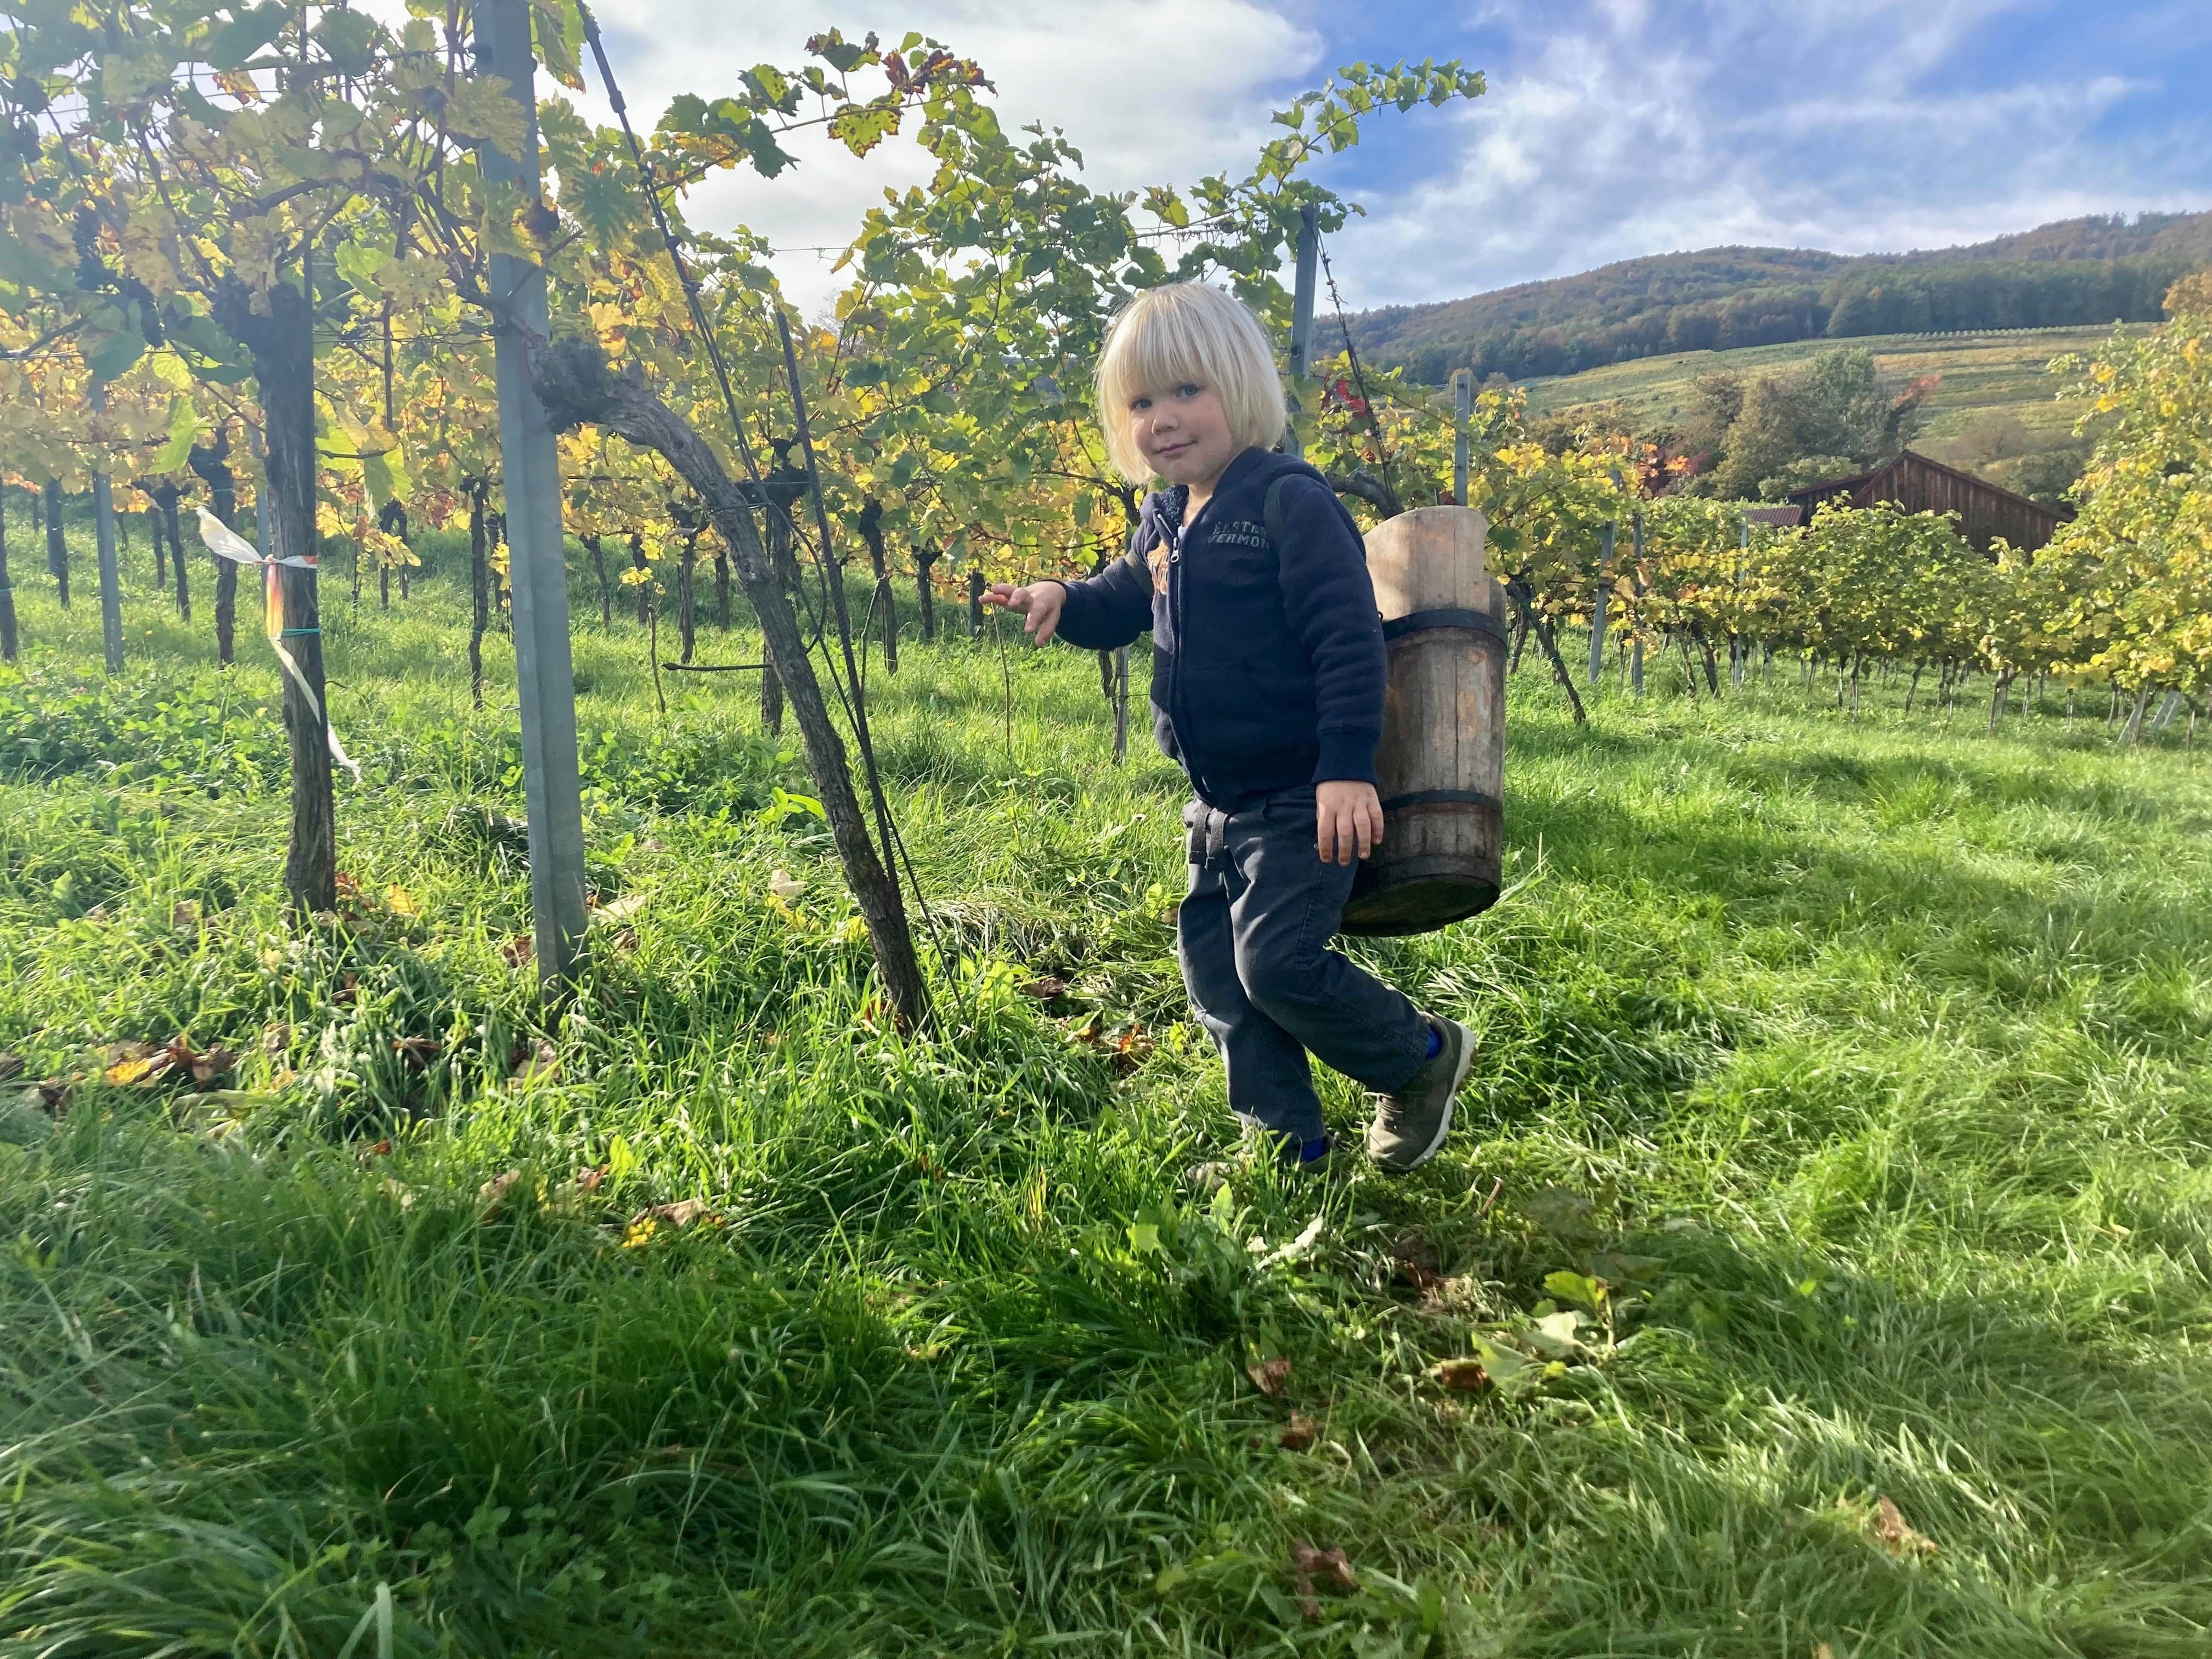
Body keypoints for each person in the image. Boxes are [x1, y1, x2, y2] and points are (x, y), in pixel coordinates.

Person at [985, 281, 1473, 1175]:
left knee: (1277, 964)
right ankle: (1285, 1145)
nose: (1163, 419)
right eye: (1140, 402)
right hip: (1216, 804)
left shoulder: (1289, 502)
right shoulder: (1167, 516)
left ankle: (1420, 1058)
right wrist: (1062, 596)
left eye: (1186, 392)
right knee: (1218, 975)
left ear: (1241, 387)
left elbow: (1347, 641)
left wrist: (1343, 768)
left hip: (1298, 793)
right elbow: (1125, 598)